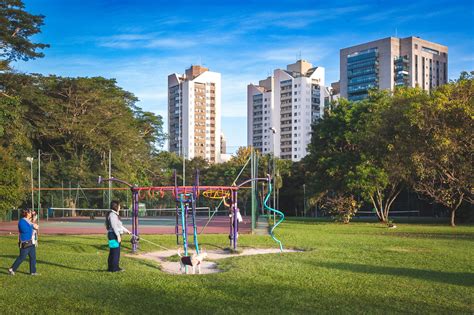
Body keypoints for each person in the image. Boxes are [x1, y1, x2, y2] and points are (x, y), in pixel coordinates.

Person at [8, 209, 39, 276]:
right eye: (30, 212)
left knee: (33, 257)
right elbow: (24, 230)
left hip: (32, 242)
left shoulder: (30, 221)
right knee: (22, 257)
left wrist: (34, 216)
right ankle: (12, 269)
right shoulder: (22, 221)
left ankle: (33, 272)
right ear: (26, 213)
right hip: (25, 242)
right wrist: (33, 226)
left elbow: (34, 219)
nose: (31, 213)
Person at [105, 201, 131, 272]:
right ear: (116, 206)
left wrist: (127, 231)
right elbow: (114, 227)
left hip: (114, 234)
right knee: (115, 252)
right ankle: (114, 268)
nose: (120, 207)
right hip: (113, 235)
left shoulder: (114, 214)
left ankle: (112, 268)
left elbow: (119, 226)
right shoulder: (112, 215)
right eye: (119, 206)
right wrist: (118, 236)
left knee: (113, 252)